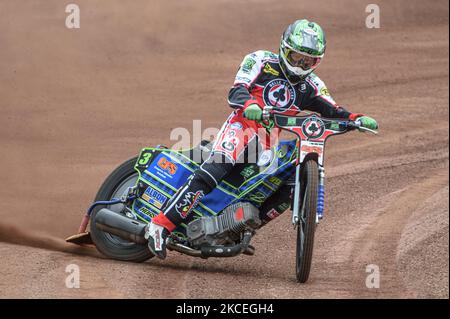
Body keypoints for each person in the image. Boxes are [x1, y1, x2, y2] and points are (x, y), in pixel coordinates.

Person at [145, 19, 378, 259]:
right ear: (284, 48)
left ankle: (235, 228)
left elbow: (333, 110)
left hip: (266, 144)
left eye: (307, 61)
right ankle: (160, 225)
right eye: (296, 56)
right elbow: (236, 90)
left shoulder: (313, 86)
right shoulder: (260, 60)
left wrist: (355, 118)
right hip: (240, 128)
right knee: (216, 169)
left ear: (316, 61)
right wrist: (249, 104)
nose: (300, 64)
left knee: (284, 184)